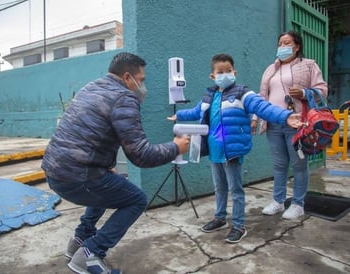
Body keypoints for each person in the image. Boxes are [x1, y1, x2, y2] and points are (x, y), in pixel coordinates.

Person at [41, 52, 190, 274]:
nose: (143, 86)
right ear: (128, 77)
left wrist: (103, 163)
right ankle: (91, 253)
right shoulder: (124, 97)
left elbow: (90, 133)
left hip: (54, 172)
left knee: (110, 182)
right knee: (137, 200)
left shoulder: (92, 87)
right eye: (141, 80)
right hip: (76, 177)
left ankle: (80, 240)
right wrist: (176, 147)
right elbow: (141, 155)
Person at [168, 53, 303, 244]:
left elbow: (262, 107)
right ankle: (220, 218)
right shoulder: (209, 95)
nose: (225, 75)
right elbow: (197, 111)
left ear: (234, 72)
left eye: (228, 71)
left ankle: (238, 225)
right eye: (220, 72)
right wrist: (179, 115)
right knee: (219, 187)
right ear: (212, 76)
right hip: (214, 150)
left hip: (232, 150)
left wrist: (285, 116)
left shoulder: (242, 93)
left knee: (235, 190)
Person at [251, 31, 328, 220]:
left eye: (286, 43)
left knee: (299, 164)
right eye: (280, 43)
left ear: (297, 46)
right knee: (278, 165)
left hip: (297, 123)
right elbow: (262, 97)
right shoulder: (271, 69)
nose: (282, 47)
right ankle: (278, 201)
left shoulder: (308, 65)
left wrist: (304, 92)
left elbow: (322, 90)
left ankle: (298, 204)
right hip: (273, 123)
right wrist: (255, 117)